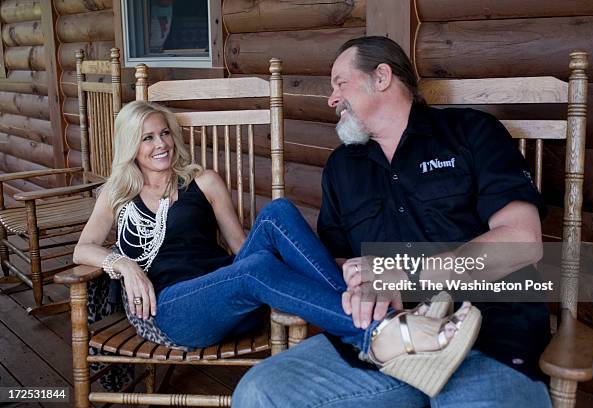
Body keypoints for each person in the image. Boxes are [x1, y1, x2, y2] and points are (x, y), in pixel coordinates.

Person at [74, 100, 479, 395]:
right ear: (131, 145)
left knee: (278, 212)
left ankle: (371, 322)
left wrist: (264, 268)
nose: (160, 143)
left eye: (165, 133)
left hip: (228, 290)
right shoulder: (118, 194)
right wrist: (126, 265)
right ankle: (379, 328)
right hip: (172, 309)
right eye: (147, 137)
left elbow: (239, 248)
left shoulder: (204, 182)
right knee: (255, 270)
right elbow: (84, 248)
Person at [232, 36, 553, 407]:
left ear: (381, 77)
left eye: (340, 83)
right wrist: (359, 282)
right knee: (258, 392)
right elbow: (337, 262)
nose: (332, 99)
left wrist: (405, 277)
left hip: (485, 338)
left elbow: (521, 241)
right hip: (380, 344)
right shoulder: (342, 167)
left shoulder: (472, 133)